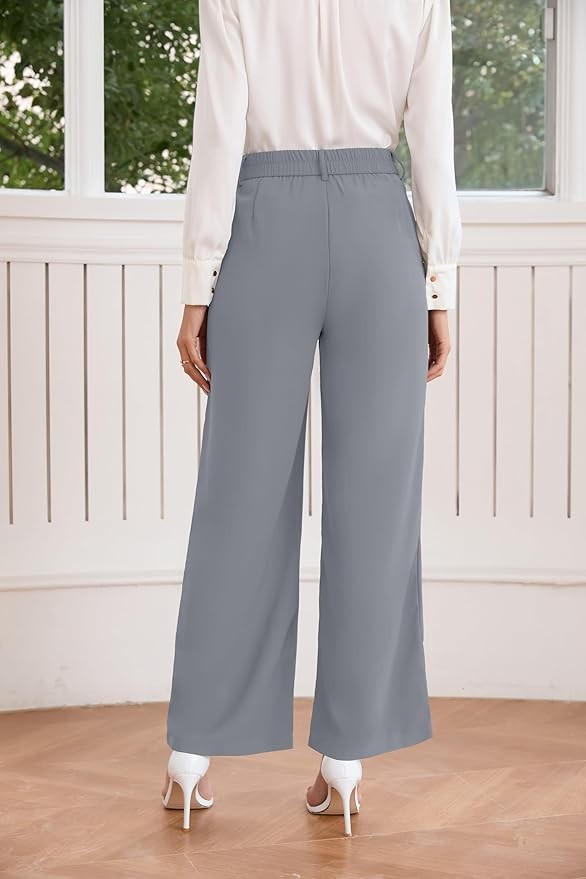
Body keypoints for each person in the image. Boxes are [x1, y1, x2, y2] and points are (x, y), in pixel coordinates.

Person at [162, 0, 461, 836]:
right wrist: (439, 283)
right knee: (376, 504)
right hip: (379, 227)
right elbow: (432, 142)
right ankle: (346, 762)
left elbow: (218, 135)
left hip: (263, 223)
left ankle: (191, 753)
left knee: (239, 495)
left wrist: (197, 284)